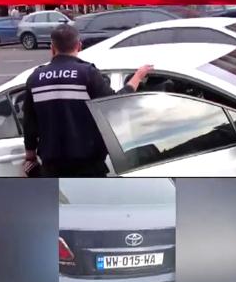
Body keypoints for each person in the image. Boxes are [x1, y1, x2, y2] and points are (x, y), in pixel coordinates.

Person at [22, 24, 153, 177]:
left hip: (52, 169)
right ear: (79, 46)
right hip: (88, 167)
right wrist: (137, 77)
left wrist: (30, 156)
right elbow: (114, 105)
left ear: (52, 48)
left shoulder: (35, 78)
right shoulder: (87, 73)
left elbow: (29, 122)